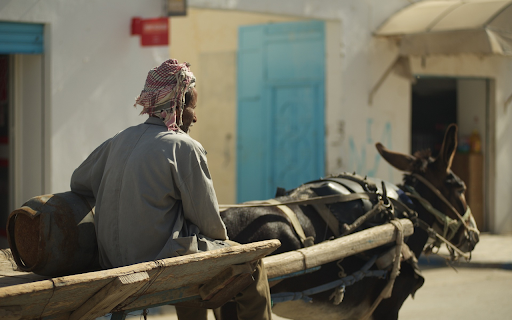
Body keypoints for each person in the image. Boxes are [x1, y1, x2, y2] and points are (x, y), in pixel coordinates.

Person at [70, 59, 272, 320]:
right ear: (176, 104)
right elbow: (212, 227)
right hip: (158, 266)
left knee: (190, 244)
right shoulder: (184, 147)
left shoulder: (118, 139)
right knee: (251, 263)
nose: (195, 117)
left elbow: (78, 181)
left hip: (111, 260)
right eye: (192, 107)